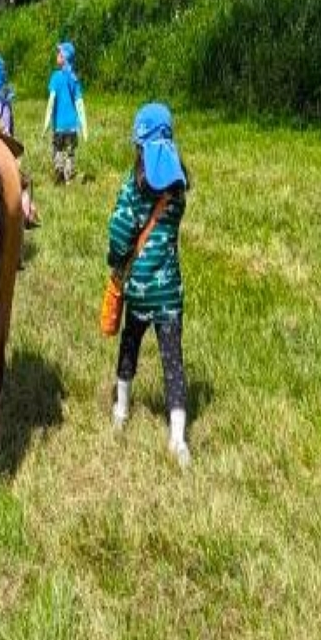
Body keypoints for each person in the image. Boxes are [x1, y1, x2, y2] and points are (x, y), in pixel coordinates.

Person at [106, 103, 191, 468]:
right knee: (173, 363)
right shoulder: (178, 190)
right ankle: (177, 438)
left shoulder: (133, 188)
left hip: (139, 291)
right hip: (170, 292)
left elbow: (120, 233)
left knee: (130, 346)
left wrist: (115, 261)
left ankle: (122, 410)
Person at [0, 52, 38, 228]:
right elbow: (9, 131)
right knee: (19, 180)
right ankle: (26, 212)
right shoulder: (4, 100)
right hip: (4, 146)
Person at [43, 40, 87, 183]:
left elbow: (51, 101)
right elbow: (79, 104)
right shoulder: (74, 79)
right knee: (70, 152)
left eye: (59, 53)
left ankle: (59, 170)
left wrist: (46, 123)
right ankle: (68, 178)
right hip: (72, 126)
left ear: (64, 58)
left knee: (58, 149)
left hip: (59, 126)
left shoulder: (55, 77)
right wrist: (84, 127)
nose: (57, 55)